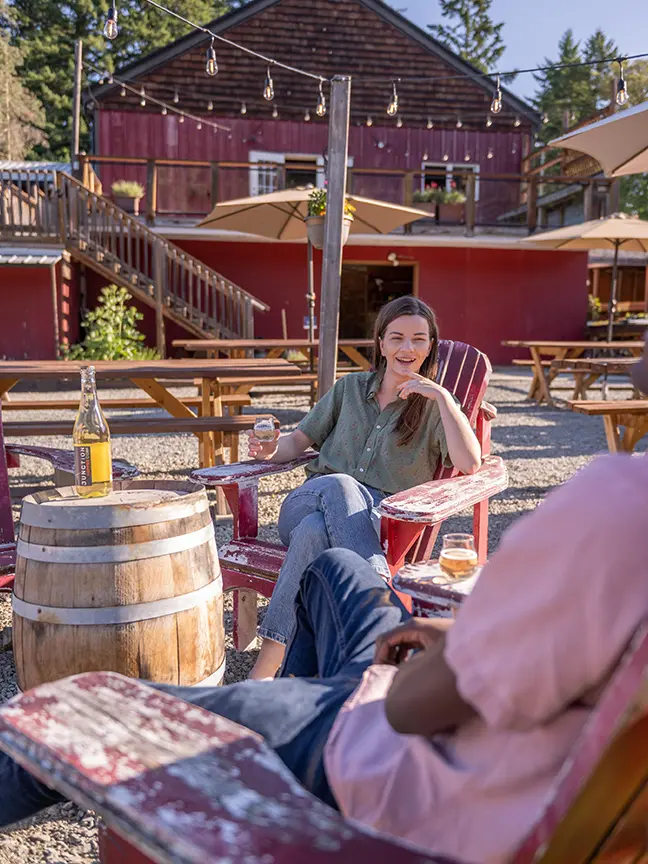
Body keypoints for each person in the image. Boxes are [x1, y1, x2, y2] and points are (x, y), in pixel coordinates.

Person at [246, 295, 481, 679]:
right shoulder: (350, 388)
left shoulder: (435, 406)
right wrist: (271, 450)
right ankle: (379, 600)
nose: (407, 348)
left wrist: (441, 396)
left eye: (419, 339)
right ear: (382, 343)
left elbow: (470, 463)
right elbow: (295, 444)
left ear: (430, 345)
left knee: (314, 534)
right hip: (311, 499)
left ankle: (266, 669)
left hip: (372, 521)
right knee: (334, 488)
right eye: (397, 338)